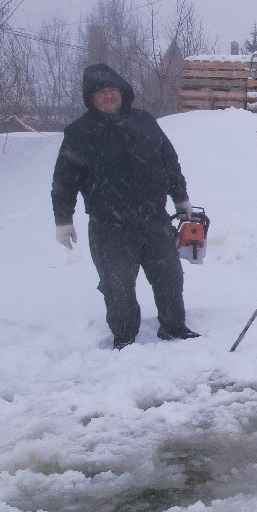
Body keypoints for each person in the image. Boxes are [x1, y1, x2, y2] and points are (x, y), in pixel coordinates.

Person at [51, 63, 201, 349]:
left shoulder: (144, 121)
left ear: (122, 92)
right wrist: (63, 220)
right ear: (91, 98)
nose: (108, 96)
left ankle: (174, 327)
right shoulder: (80, 133)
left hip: (154, 220)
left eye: (112, 90)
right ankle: (125, 337)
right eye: (101, 93)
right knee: (117, 287)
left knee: (169, 277)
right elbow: (63, 180)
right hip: (110, 227)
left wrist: (181, 199)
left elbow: (170, 161)